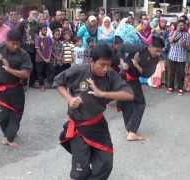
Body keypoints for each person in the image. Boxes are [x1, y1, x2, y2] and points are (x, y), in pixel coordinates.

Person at [54, 44, 134, 180]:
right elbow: (58, 82)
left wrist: (102, 93)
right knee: (80, 171)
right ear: (93, 61)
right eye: (102, 65)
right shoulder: (79, 70)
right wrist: (69, 98)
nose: (105, 69)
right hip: (78, 127)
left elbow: (129, 95)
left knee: (106, 164)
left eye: (108, 65)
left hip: (98, 125)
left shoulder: (111, 75)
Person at [0, 30, 32, 147]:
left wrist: (9, 69)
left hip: (16, 90)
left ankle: (8, 137)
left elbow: (26, 74)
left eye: (18, 44)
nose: (16, 46)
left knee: (16, 114)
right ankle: (9, 133)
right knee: (2, 116)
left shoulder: (23, 54)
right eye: (13, 43)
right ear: (7, 41)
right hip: (0, 89)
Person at [118, 36, 164, 141]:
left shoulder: (156, 58)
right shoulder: (138, 48)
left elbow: (147, 75)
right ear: (150, 46)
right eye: (157, 50)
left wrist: (137, 65)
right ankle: (131, 131)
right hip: (123, 77)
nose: (158, 54)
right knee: (138, 103)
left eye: (160, 51)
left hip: (133, 79)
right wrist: (122, 62)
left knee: (131, 102)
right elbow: (122, 47)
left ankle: (130, 129)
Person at [166, 19, 189, 95]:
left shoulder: (186, 34)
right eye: (179, 25)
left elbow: (188, 47)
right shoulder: (172, 32)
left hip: (181, 57)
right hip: (172, 56)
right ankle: (170, 87)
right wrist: (175, 32)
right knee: (171, 73)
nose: (181, 26)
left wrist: (183, 45)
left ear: (184, 26)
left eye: (182, 25)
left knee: (181, 74)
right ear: (177, 25)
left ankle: (180, 88)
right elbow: (170, 41)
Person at [35, 24, 53, 91]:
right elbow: (38, 50)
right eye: (43, 30)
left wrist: (49, 57)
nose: (45, 31)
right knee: (40, 73)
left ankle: (47, 84)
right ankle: (41, 85)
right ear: (40, 30)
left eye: (46, 30)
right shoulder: (38, 38)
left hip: (47, 59)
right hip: (39, 59)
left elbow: (51, 48)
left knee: (48, 71)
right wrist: (44, 58)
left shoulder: (49, 38)